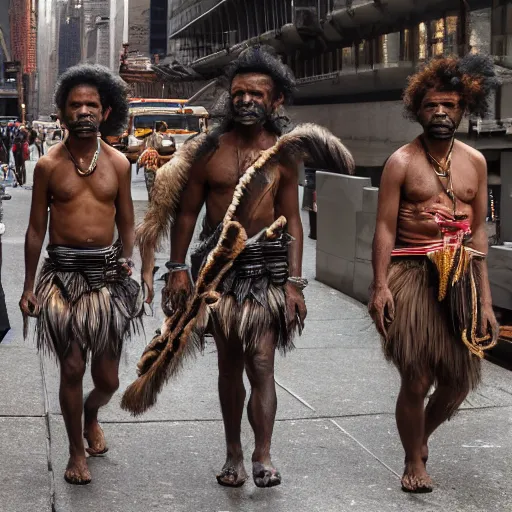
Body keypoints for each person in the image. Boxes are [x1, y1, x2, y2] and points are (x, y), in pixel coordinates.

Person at [121, 47, 354, 488]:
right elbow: (187, 215)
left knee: (262, 364)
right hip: (219, 275)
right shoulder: (209, 150)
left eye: (257, 94)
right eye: (239, 93)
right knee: (229, 367)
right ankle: (233, 454)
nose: (246, 101)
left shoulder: (285, 155)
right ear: (230, 97)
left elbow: (293, 224)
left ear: (276, 101)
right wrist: (177, 269)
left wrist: (294, 284)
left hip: (266, 274)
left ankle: (263, 454)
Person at [368, 55, 499, 493]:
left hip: (461, 275)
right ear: (417, 110)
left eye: (450, 105)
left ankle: (420, 435)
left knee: (458, 383)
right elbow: (385, 227)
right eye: (431, 106)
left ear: (464, 110)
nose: (441, 113)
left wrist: (486, 301)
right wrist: (380, 285)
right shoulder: (401, 162)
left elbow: (479, 230)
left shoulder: (476, 163)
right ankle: (412, 460)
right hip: (412, 273)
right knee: (417, 377)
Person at [19, 64, 142, 486]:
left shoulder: (121, 164)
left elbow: (127, 222)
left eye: (92, 104)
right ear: (62, 112)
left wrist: (132, 265)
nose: (84, 111)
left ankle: (92, 412)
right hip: (63, 278)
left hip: (108, 278)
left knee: (107, 379)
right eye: (76, 104)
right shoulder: (48, 166)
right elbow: (36, 229)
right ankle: (75, 450)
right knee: (71, 368)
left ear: (106, 111)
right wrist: (27, 286)